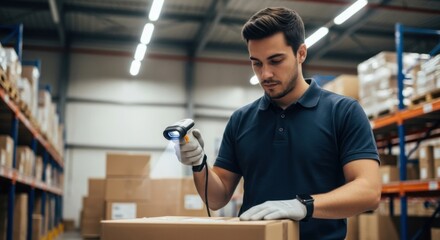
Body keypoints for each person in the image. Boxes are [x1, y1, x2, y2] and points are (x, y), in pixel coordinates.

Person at [175, 7, 381, 239]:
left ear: (301, 53)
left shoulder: (343, 112)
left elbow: (369, 190)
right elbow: (216, 197)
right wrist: (199, 164)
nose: (265, 74)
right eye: (257, 63)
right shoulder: (241, 120)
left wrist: (304, 206)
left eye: (275, 60)